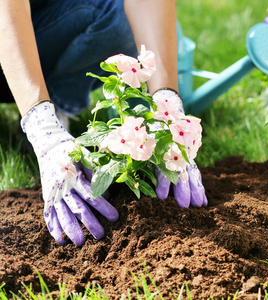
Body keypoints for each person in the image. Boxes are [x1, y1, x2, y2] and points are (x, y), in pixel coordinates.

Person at [0, 0, 207, 247]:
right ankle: (42, 115)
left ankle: (56, 101)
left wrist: (167, 106)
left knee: (119, 19)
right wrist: (42, 128)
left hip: (47, 29)